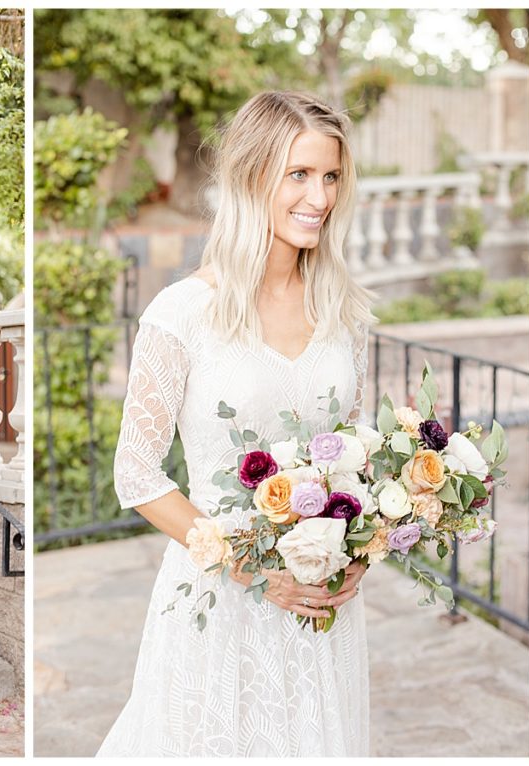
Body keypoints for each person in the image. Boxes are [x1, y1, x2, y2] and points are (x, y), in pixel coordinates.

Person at [99, 92, 377, 757]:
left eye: (331, 176)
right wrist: (256, 570)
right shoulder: (183, 312)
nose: (320, 196)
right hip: (221, 601)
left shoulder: (341, 310)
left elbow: (357, 453)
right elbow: (135, 473)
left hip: (323, 608)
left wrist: (360, 550)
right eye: (299, 175)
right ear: (254, 178)